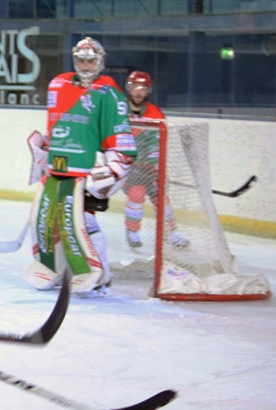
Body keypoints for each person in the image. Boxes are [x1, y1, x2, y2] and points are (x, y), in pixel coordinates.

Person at [24, 37, 136, 295]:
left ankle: (101, 274)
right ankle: (59, 269)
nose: (86, 66)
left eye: (91, 61)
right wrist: (45, 149)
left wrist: (114, 167)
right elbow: (58, 125)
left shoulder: (108, 92)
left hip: (86, 173)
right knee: (48, 221)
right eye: (81, 60)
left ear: (101, 62)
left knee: (82, 221)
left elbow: (119, 135)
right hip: (57, 170)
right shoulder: (59, 84)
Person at [122, 71, 189, 250]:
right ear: (129, 88)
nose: (138, 92)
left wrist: (157, 168)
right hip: (126, 166)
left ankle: (171, 232)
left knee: (161, 197)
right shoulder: (119, 110)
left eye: (142, 88)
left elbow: (158, 143)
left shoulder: (154, 113)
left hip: (149, 167)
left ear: (148, 91)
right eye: (135, 87)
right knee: (136, 193)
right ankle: (132, 230)